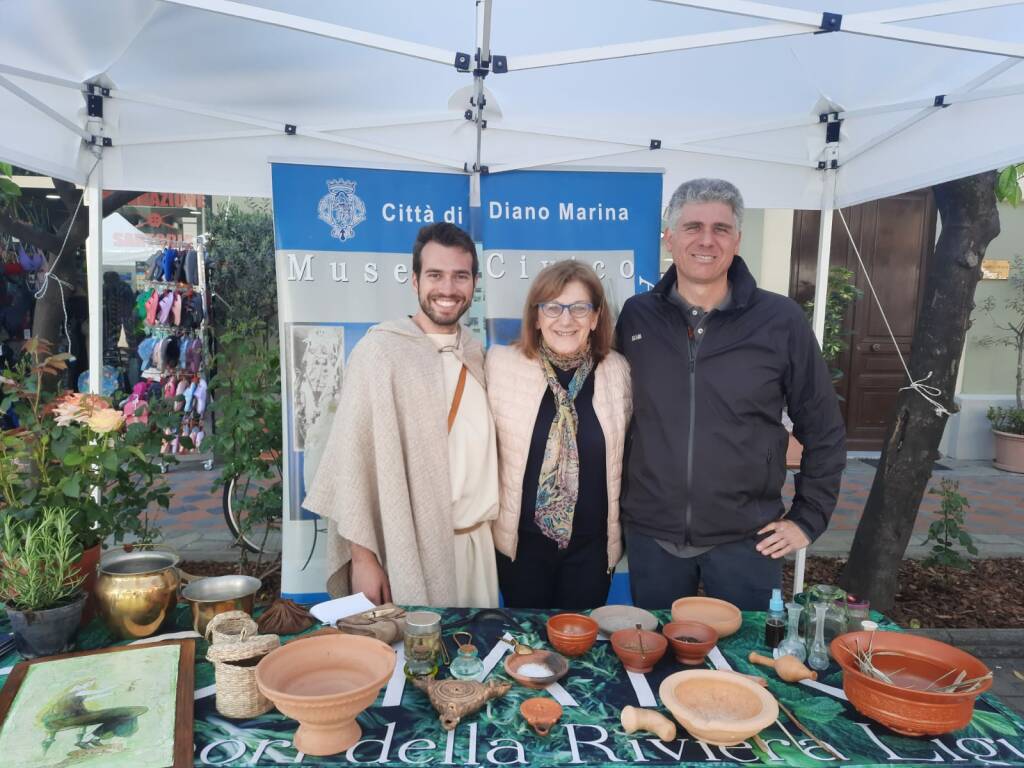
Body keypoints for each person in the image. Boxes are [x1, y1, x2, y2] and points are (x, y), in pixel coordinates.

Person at [615, 178, 846, 611]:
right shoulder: (636, 316)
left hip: (748, 540)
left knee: (748, 667)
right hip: (653, 536)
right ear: (669, 237)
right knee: (657, 661)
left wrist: (808, 518)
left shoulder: (780, 320)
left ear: (737, 239)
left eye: (721, 228)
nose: (706, 240)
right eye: (692, 227)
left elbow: (825, 428)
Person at [304, 222, 499, 608]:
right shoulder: (380, 353)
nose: (447, 289)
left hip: (479, 548)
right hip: (408, 546)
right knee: (418, 662)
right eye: (435, 275)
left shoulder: (476, 354)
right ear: (414, 281)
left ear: (475, 282)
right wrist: (363, 558)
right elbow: (352, 462)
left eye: (460, 276)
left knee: (474, 658)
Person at [487, 261, 631, 609]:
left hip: (591, 549)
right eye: (552, 307)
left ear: (596, 318)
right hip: (521, 547)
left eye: (579, 308)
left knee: (580, 646)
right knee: (529, 649)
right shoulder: (500, 365)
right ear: (536, 316)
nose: (565, 320)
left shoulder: (618, 371)